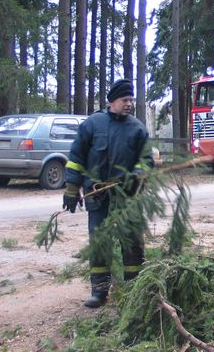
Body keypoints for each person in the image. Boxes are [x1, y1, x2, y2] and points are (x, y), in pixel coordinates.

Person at [62, 79, 153, 308]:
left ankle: (133, 288)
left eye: (131, 100)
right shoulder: (92, 124)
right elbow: (76, 158)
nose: (129, 104)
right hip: (97, 195)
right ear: (112, 101)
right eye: (125, 100)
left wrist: (137, 173)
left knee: (132, 241)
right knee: (100, 241)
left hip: (128, 195)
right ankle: (99, 291)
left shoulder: (137, 128)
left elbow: (146, 159)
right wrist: (72, 188)